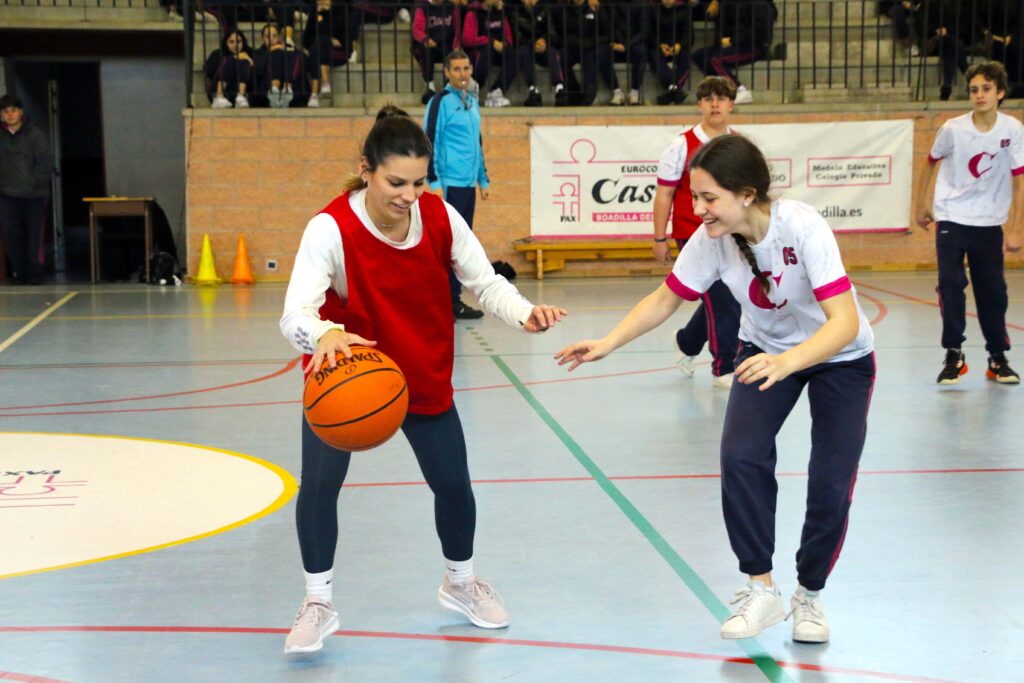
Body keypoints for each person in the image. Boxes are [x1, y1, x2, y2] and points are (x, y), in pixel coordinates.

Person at [556, 134, 875, 644]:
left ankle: (809, 597)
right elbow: (665, 299)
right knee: (742, 456)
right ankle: (761, 589)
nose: (698, 210)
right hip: (765, 352)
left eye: (708, 198)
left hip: (840, 358)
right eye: (693, 198)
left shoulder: (802, 226)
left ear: (746, 194)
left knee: (831, 483)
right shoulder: (710, 242)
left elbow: (843, 323)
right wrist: (608, 342)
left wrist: (788, 361)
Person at [279, 105, 567, 655]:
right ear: (365, 170)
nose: (408, 195)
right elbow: (295, 314)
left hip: (420, 369)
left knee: (453, 484)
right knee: (318, 488)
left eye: (418, 182)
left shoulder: (440, 218)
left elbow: (484, 284)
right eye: (395, 182)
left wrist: (523, 312)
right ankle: (317, 601)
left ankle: (460, 583)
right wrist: (322, 336)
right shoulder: (330, 228)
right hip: (350, 375)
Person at [914, 60, 1023, 385]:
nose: (979, 95)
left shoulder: (1013, 130)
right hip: (951, 217)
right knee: (950, 284)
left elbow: (1019, 180)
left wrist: (1016, 227)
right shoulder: (953, 129)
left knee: (993, 293)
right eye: (974, 89)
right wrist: (922, 204)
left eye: (986, 89)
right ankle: (954, 355)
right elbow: (930, 163)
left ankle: (997, 357)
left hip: (989, 222)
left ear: (1000, 93)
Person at [653, 76, 741, 388]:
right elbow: (664, 194)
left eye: (722, 98)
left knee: (724, 297)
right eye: (709, 98)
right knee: (723, 300)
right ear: (699, 104)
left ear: (732, 104)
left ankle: (687, 343)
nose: (715, 104)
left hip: (731, 235)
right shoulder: (681, 145)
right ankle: (725, 368)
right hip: (693, 234)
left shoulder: (739, 144)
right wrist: (660, 238)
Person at [424, 50, 491, 319]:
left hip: (467, 185)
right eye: (457, 69)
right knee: (446, 245)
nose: (463, 74)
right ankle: (445, 301)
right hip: (448, 185)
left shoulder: (472, 101)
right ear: (447, 73)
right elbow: (429, 140)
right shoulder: (439, 102)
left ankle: (453, 300)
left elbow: (477, 142)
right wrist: (433, 180)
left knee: (461, 244)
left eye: (466, 68)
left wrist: (483, 179)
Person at [0, 94, 53, 285]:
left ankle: (35, 272)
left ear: (20, 112)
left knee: (34, 236)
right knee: (10, 233)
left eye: (13, 110)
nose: (10, 114)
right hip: (8, 195)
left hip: (34, 195)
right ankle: (19, 272)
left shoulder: (35, 134)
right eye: (5, 111)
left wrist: (33, 182)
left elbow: (46, 164)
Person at [691, 0, 776, 104]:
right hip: (732, 44)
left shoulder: (760, 4)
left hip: (753, 46)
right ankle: (718, 91)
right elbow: (721, 26)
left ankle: (739, 90)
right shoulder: (727, 3)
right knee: (699, 56)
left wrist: (732, 41)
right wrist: (721, 39)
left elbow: (758, 32)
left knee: (715, 60)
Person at [507, 0, 565, 106]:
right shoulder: (515, 12)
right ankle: (533, 90)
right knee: (522, 51)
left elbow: (553, 33)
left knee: (552, 51)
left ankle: (559, 88)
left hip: (543, 46)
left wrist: (544, 40)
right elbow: (517, 38)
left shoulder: (545, 10)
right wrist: (533, 43)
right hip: (527, 47)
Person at [462, 0, 515, 108]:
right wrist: (491, 41)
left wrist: (504, 44)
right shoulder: (473, 13)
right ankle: (474, 87)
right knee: (488, 51)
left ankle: (497, 90)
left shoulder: (500, 13)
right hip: (479, 51)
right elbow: (467, 39)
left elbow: (509, 37)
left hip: (498, 50)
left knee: (514, 55)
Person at [412, 0, 464, 104]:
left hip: (447, 44)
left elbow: (457, 29)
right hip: (430, 44)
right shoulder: (423, 7)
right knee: (425, 49)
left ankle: (449, 86)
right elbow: (417, 29)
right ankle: (430, 87)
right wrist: (425, 39)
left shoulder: (451, 6)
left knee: (453, 54)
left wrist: (456, 44)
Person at [651, 0, 694, 105]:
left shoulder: (684, 10)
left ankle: (671, 91)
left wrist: (679, 45)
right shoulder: (653, 10)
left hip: (679, 47)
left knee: (687, 57)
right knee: (654, 56)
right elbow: (649, 33)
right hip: (659, 47)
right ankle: (675, 89)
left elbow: (689, 35)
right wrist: (660, 45)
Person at [205, 28, 254, 109]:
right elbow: (210, 72)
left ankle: (240, 97)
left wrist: (248, 60)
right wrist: (234, 58)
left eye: (238, 42)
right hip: (219, 88)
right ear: (226, 43)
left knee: (244, 61)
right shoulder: (217, 54)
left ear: (243, 42)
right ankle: (219, 97)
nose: (235, 45)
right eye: (231, 42)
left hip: (241, 91)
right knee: (232, 60)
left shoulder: (248, 53)